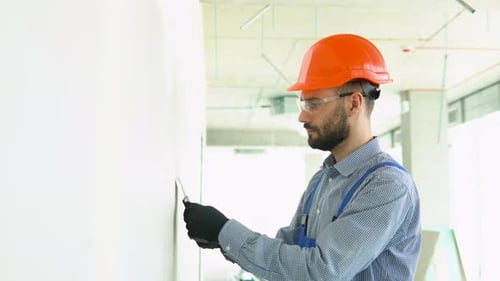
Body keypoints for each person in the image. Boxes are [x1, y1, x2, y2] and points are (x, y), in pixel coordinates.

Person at [183, 33, 421, 281]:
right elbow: (288, 255)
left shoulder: (387, 186)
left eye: (314, 104)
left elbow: (319, 271)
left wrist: (225, 231)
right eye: (303, 104)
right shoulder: (323, 179)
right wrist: (221, 238)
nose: (302, 117)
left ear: (353, 104)